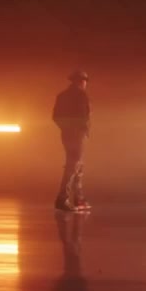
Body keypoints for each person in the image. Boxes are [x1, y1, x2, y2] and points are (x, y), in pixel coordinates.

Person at [52, 70, 91, 211]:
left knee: (77, 164)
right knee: (73, 165)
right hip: (77, 134)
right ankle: (63, 198)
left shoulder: (62, 96)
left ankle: (78, 198)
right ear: (81, 81)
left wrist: (66, 128)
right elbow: (84, 116)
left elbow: (55, 116)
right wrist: (80, 129)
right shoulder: (81, 95)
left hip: (68, 134)